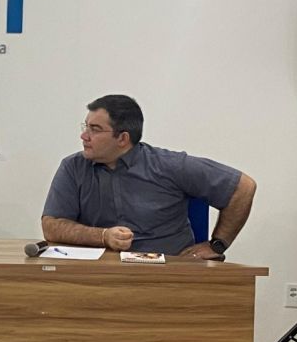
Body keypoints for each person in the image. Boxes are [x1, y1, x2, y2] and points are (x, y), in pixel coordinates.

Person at [41, 94, 256, 256]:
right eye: (85, 127)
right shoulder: (73, 167)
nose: (84, 136)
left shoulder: (170, 165)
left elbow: (244, 187)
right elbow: (52, 226)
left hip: (167, 273)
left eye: (95, 129)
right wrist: (103, 236)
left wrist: (217, 245)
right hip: (100, 273)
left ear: (123, 139)